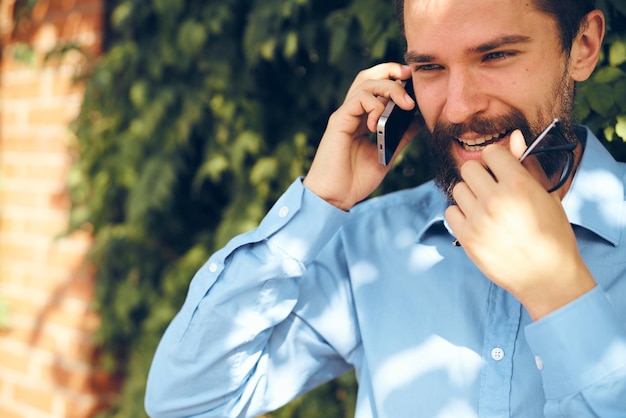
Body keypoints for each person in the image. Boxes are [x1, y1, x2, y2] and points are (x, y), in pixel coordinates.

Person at [145, 0, 626, 416]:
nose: (458, 108)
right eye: (431, 68)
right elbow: (188, 402)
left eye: (495, 55)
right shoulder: (371, 243)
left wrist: (560, 293)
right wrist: (320, 202)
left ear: (582, 45)